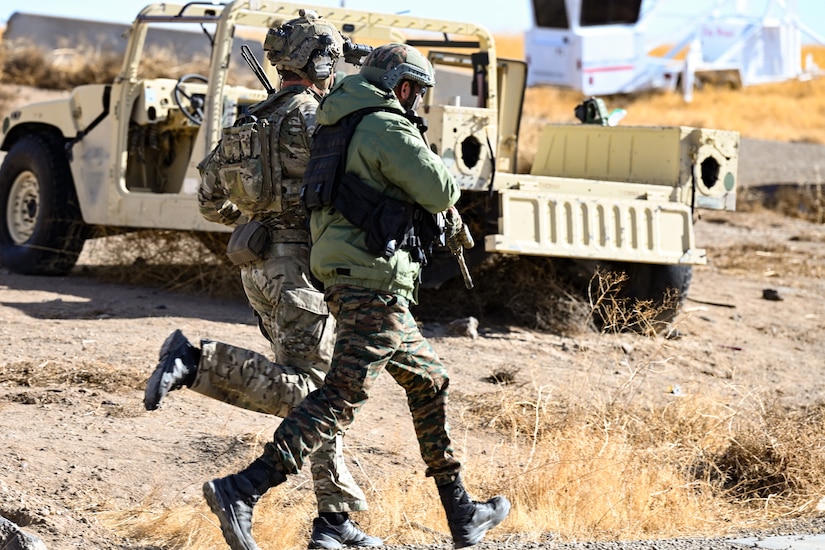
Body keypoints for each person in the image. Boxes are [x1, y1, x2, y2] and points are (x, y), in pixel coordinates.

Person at [202, 43, 510, 550]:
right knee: (339, 397)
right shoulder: (383, 124)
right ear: (404, 87)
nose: (418, 104)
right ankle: (243, 489)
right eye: (419, 94)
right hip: (372, 278)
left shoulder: (340, 116)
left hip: (361, 275)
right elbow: (440, 189)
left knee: (430, 380)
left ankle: (461, 512)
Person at [142, 10, 381, 550]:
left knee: (314, 391)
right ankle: (196, 362)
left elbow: (209, 202)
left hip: (259, 270)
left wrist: (260, 216)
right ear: (319, 60)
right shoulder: (322, 120)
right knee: (314, 395)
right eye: (332, 57)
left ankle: (334, 520)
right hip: (302, 274)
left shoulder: (248, 122)